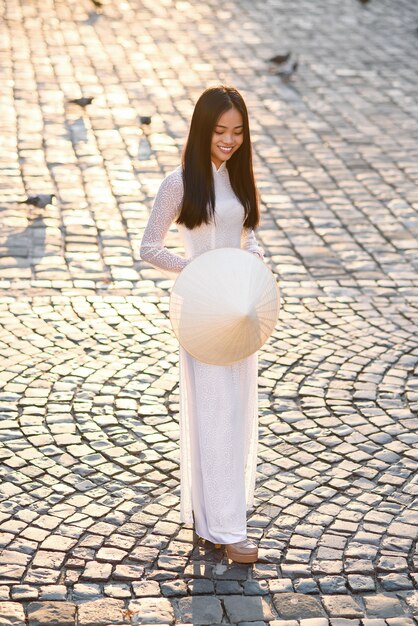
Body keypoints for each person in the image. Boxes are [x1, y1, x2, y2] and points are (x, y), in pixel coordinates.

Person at [139, 85, 265, 564]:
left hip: (240, 309)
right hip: (201, 312)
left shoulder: (238, 177)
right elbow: (149, 247)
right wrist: (195, 270)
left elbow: (247, 237)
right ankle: (229, 529)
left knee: (236, 413)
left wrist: (253, 262)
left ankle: (214, 519)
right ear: (202, 129)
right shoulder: (179, 183)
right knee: (214, 412)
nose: (229, 140)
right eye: (220, 131)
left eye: (237, 132)